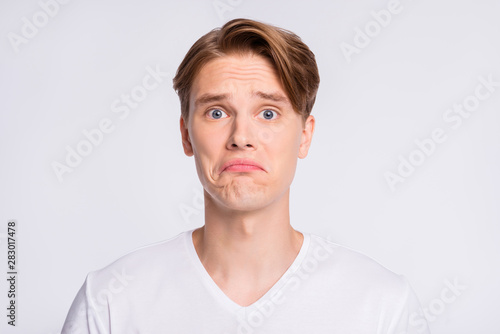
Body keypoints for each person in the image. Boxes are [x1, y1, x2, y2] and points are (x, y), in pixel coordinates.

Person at [61, 18, 431, 334]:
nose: (241, 137)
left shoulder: (381, 305)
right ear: (186, 134)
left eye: (268, 113)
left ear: (305, 135)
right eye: (217, 113)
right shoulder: (110, 301)